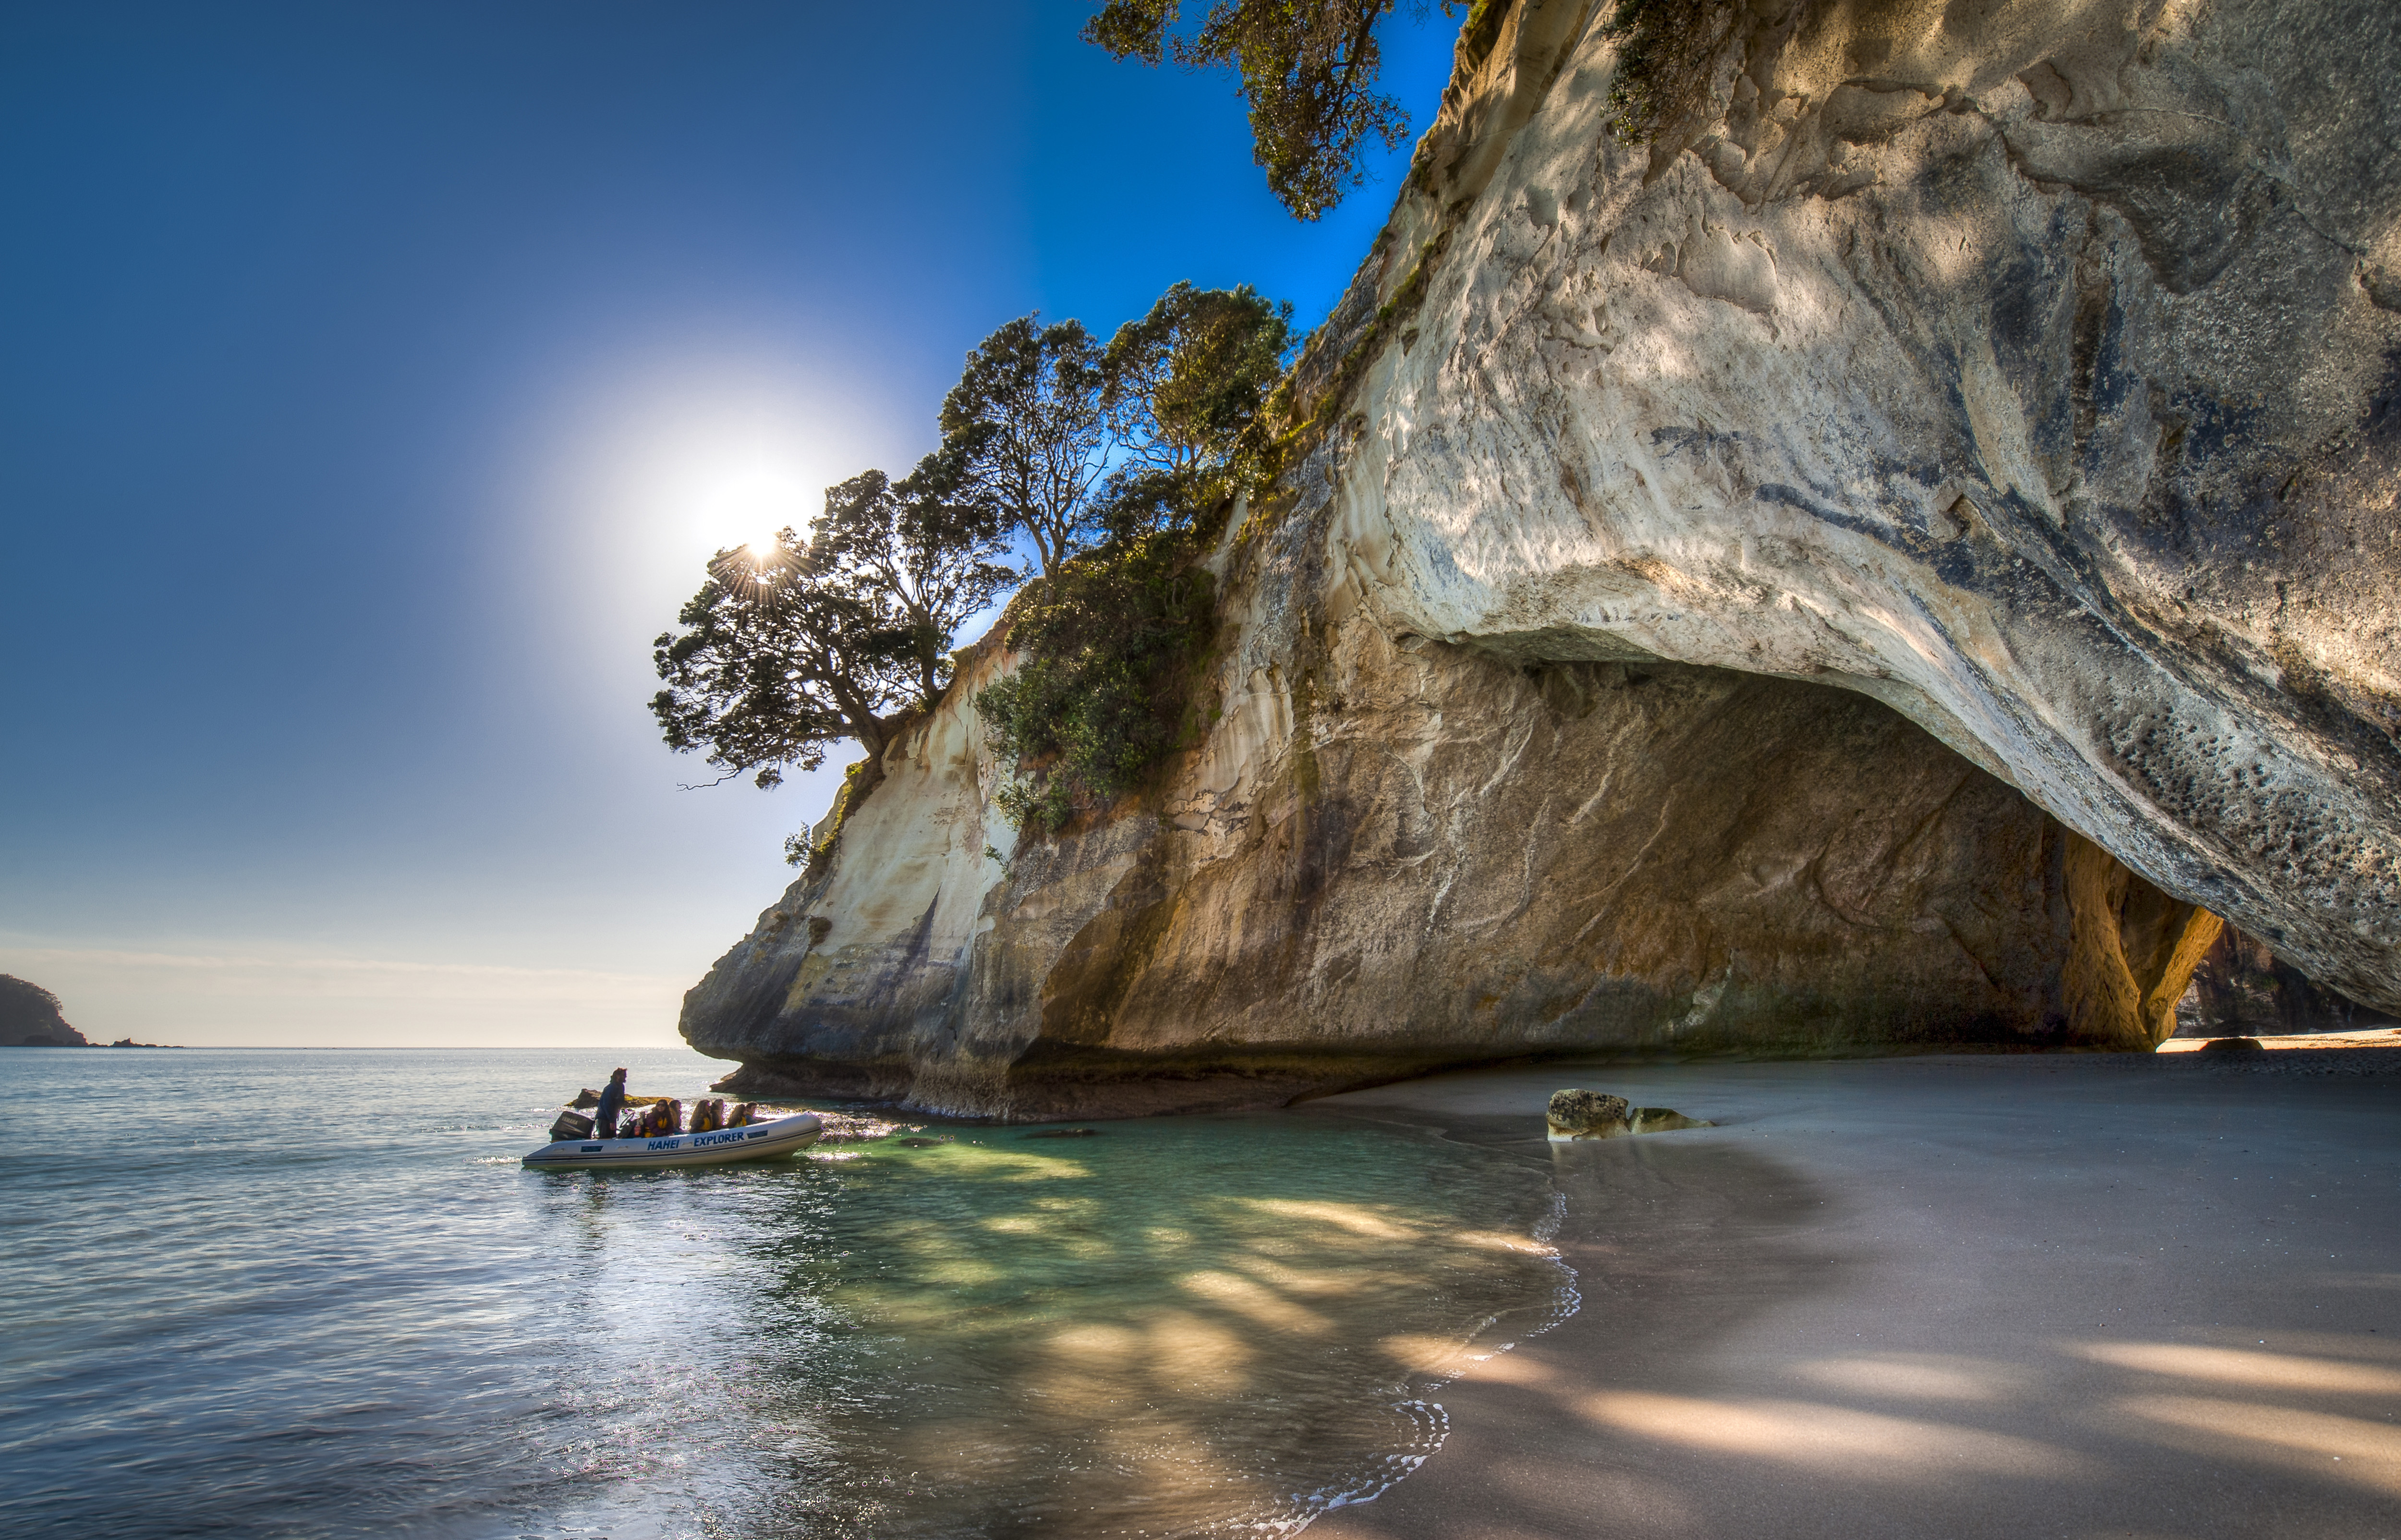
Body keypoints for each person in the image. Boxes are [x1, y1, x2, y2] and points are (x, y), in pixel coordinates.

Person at [594, 1067, 628, 1139]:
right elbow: (607, 1105)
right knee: (606, 1139)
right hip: (605, 1119)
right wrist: (612, 1120)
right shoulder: (611, 1088)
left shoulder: (621, 1087)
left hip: (612, 1117)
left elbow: (620, 1102)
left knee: (613, 1137)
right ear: (617, 1076)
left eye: (625, 1075)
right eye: (623, 1075)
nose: (625, 1077)